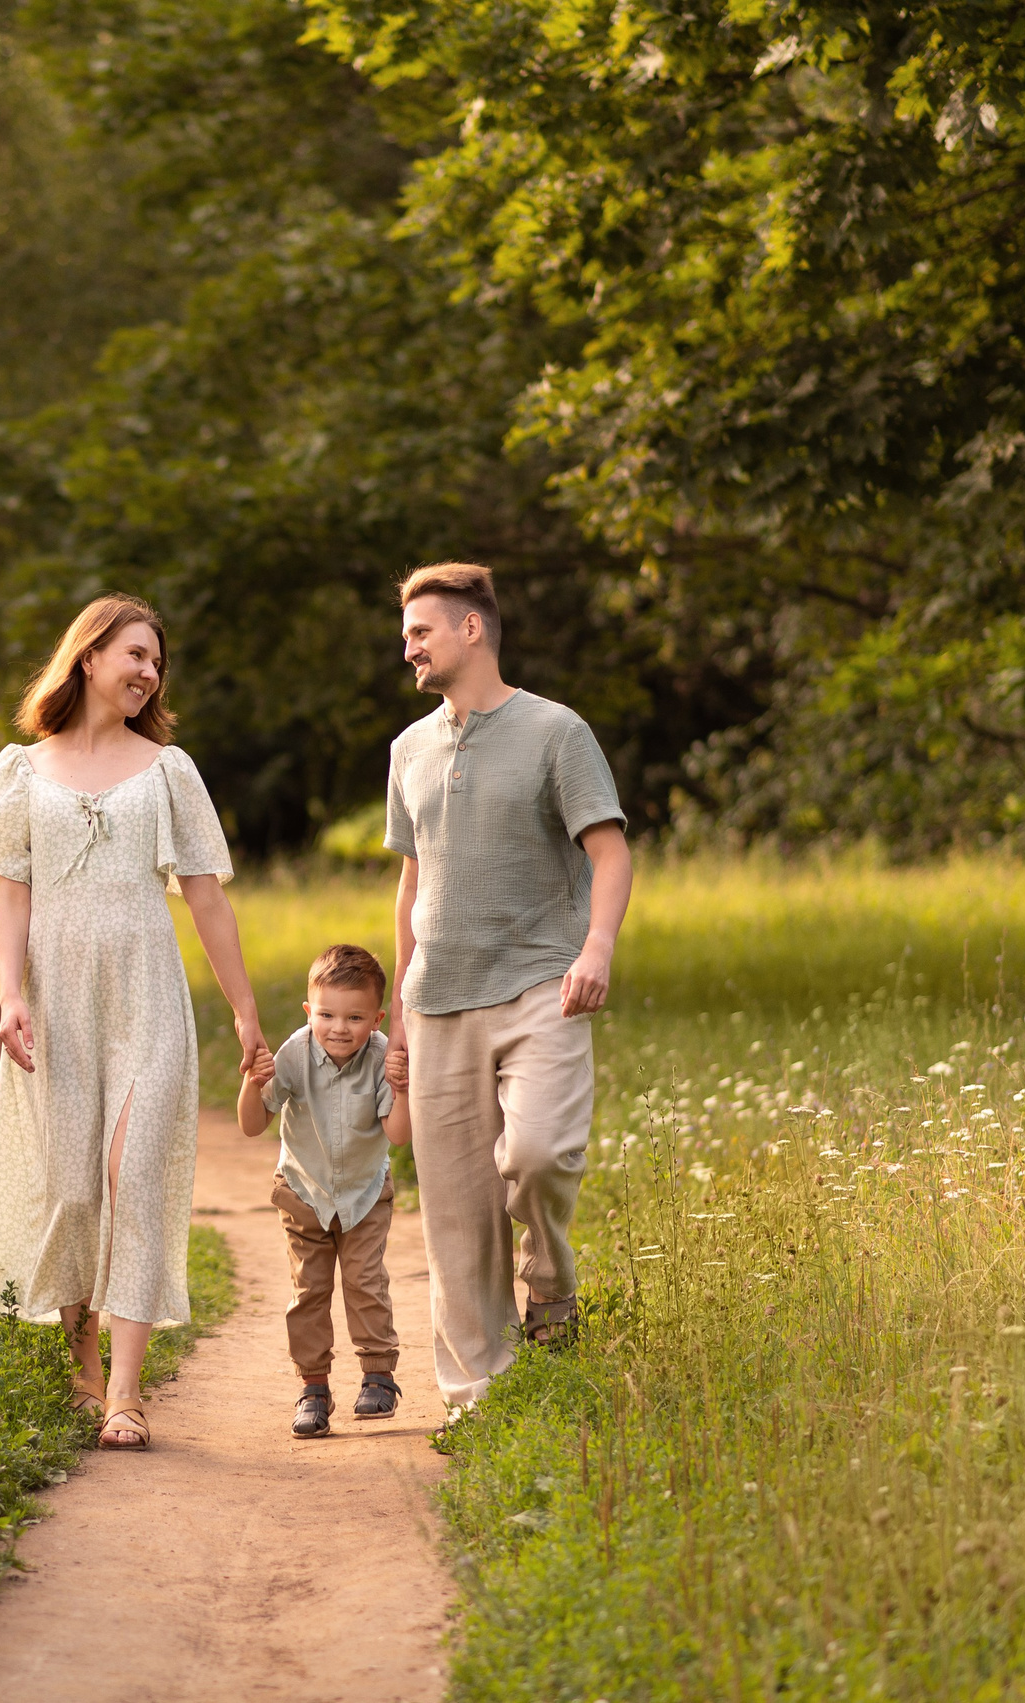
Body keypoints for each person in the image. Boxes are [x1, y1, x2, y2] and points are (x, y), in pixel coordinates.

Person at [0, 594, 269, 1450]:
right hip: (57, 995)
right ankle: (82, 1365)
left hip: (146, 993)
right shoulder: (22, 767)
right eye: (135, 654)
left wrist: (245, 1014)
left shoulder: (169, 770)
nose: (148, 672)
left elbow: (205, 895)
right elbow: (10, 890)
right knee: (72, 1187)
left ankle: (128, 1391)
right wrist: (11, 994)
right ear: (88, 656)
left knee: (133, 1175)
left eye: (156, 661)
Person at [380, 562, 633, 1419]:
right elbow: (412, 887)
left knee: (537, 1157)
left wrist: (596, 947)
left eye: (421, 631)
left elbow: (610, 852)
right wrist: (399, 1020)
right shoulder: (408, 750)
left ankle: (551, 1285)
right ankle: (481, 1403)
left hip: (540, 985)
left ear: (471, 629)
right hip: (437, 997)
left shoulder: (557, 731)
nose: (407, 647)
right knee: (455, 1216)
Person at [236, 943, 413, 1438]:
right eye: (328, 1015)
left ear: (377, 1018)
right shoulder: (294, 1053)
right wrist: (253, 1082)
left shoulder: (382, 1057)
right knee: (309, 1291)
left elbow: (398, 1134)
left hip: (363, 1193)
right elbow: (252, 1126)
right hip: (302, 1192)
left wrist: (403, 1086)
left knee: (365, 1281)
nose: (340, 1028)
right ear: (309, 1011)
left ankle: (378, 1375)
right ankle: (313, 1387)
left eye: (355, 1017)